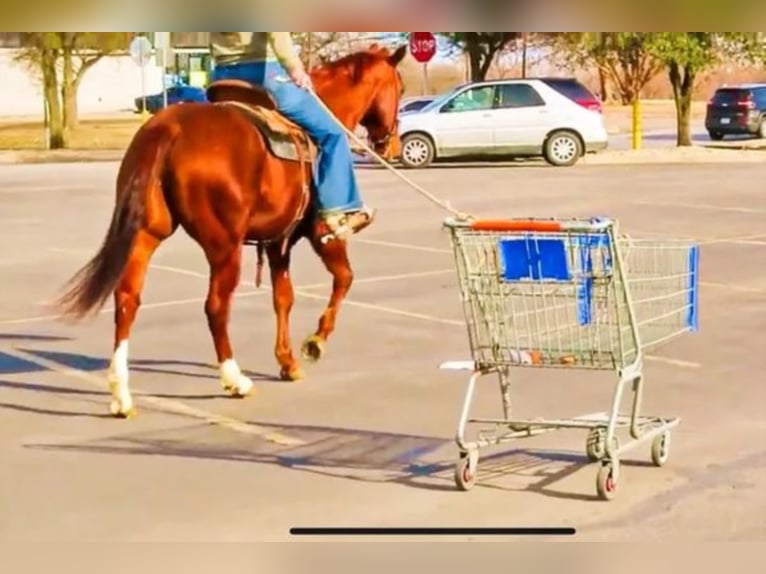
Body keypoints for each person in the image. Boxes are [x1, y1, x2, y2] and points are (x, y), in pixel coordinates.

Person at [209, 32, 375, 239]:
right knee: (332, 133)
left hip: (222, 75)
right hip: (264, 74)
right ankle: (338, 209)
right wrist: (295, 68)